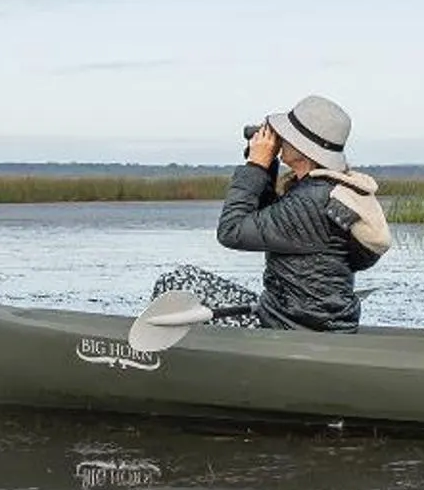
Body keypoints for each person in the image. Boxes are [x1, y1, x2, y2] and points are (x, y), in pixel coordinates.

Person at [148, 94, 390, 333]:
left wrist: (256, 165)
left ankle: (162, 351)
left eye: (287, 135)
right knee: (185, 277)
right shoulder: (327, 191)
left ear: (303, 148)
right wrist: (268, 165)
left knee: (175, 281)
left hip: (291, 328)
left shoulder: (310, 201)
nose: (280, 138)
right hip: (301, 318)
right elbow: (266, 220)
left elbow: (231, 231)